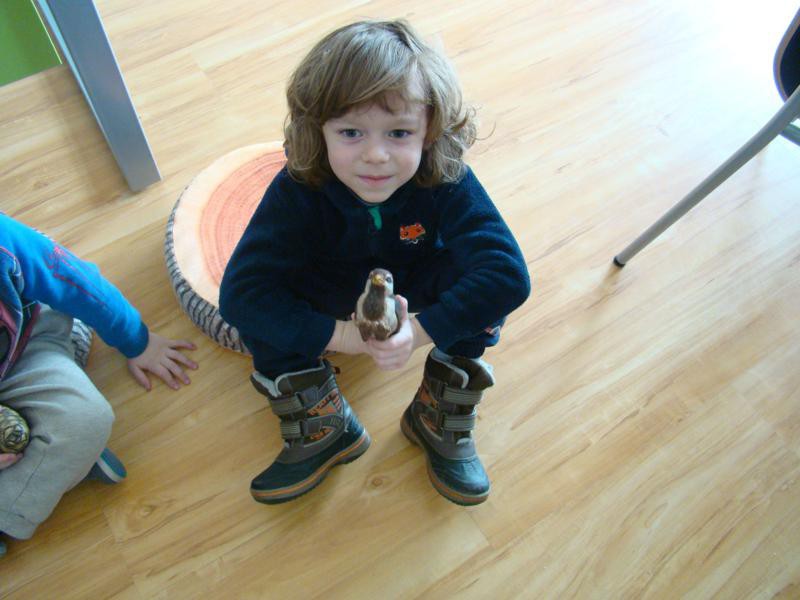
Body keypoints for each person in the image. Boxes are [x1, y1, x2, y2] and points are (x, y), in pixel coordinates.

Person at [219, 19, 530, 506]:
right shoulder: (298, 187)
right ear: (317, 131)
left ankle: (437, 409)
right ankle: (326, 424)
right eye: (350, 132)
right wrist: (344, 338)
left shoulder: (445, 176)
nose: (376, 156)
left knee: (485, 286)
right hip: (330, 293)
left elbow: (508, 274)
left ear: (430, 132)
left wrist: (419, 332)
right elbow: (240, 294)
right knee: (263, 308)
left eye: (399, 132)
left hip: (414, 284)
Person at [0, 213, 198, 557]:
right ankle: (59, 468)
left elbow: (72, 279)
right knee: (65, 442)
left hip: (24, 351)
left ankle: (51, 470)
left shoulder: (5, 245)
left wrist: (137, 340)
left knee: (86, 420)